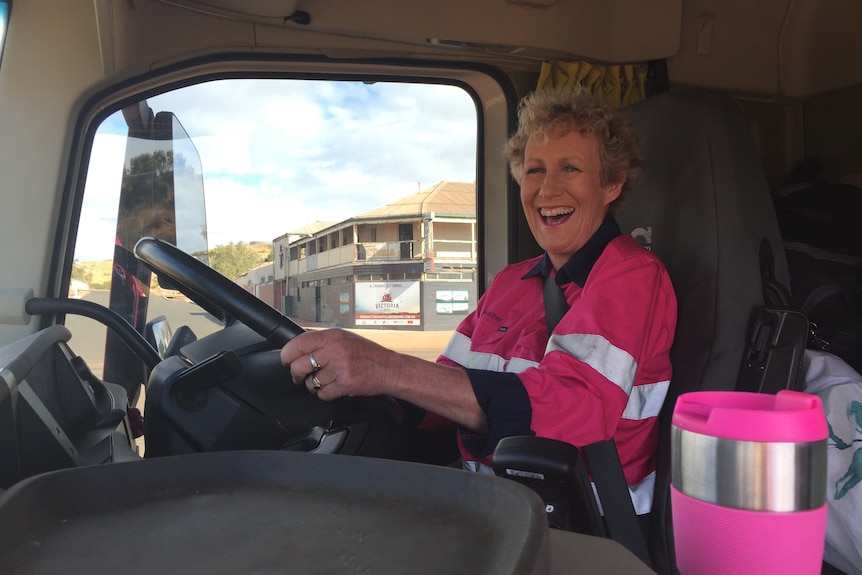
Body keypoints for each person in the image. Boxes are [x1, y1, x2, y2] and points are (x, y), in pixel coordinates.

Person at [280, 86, 677, 515]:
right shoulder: (511, 281)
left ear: (611, 183)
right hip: (489, 503)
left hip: (578, 523)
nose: (547, 189)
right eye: (534, 170)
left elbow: (569, 412)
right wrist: (358, 379)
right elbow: (446, 391)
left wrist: (391, 370)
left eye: (570, 168)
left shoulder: (632, 274)